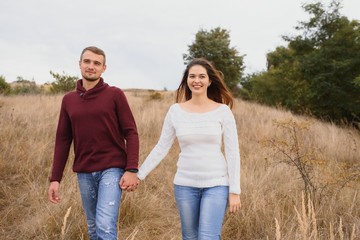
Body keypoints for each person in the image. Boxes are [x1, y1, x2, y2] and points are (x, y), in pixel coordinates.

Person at [136, 58, 241, 239]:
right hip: (185, 185)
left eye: (202, 76)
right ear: (186, 80)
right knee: (189, 237)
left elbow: (233, 153)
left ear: (209, 81)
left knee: (207, 237)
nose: (196, 80)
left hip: (216, 184)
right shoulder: (175, 111)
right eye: (192, 76)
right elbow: (162, 147)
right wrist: (139, 174)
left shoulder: (223, 111)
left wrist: (235, 191)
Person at [48, 46, 140, 240]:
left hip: (112, 169)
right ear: (79, 64)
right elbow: (63, 140)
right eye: (87, 62)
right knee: (93, 228)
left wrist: (131, 169)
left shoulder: (115, 95)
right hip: (84, 172)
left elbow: (131, 132)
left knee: (105, 226)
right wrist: (55, 178)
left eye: (96, 63)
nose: (91, 66)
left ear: (104, 68)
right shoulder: (69, 100)